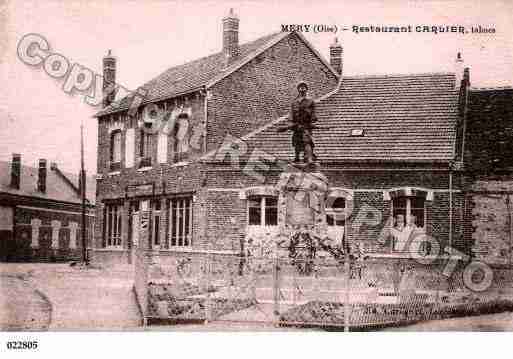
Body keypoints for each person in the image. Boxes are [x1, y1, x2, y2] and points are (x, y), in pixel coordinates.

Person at [277, 81, 318, 163]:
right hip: (296, 125)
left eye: (304, 87)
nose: (302, 89)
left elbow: (314, 114)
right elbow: (291, 114)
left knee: (307, 141)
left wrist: (311, 120)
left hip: (306, 124)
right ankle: (297, 157)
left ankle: (309, 158)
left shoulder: (310, 101)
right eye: (300, 87)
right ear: (298, 89)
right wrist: (290, 124)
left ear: (306, 89)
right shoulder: (294, 102)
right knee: (296, 141)